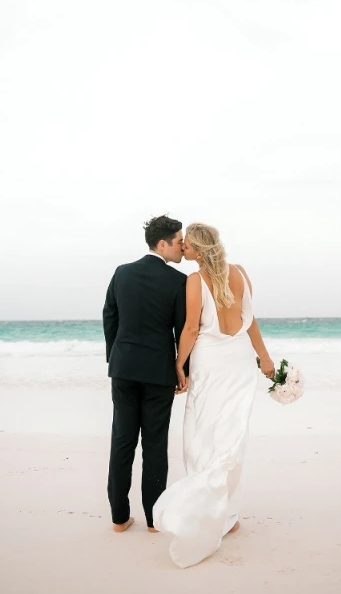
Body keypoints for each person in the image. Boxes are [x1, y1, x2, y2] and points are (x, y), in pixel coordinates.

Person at [152, 222, 275, 567]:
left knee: (201, 434)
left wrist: (178, 364)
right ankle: (229, 516)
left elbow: (191, 328)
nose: (183, 249)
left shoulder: (194, 280)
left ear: (199, 251)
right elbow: (250, 320)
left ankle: (205, 511)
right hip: (238, 363)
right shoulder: (241, 273)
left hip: (209, 363)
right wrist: (263, 357)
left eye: (187, 245)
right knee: (232, 437)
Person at [102, 215, 188, 534]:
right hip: (158, 372)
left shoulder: (122, 273)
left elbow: (109, 316)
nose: (182, 247)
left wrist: (115, 356)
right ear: (162, 244)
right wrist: (183, 370)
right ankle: (154, 520)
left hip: (123, 368)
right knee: (154, 444)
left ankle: (119, 518)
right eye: (179, 241)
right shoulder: (178, 281)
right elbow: (182, 329)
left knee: (122, 440)